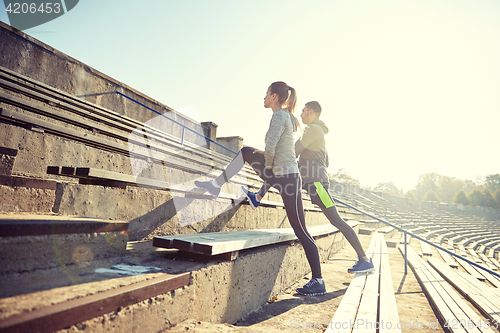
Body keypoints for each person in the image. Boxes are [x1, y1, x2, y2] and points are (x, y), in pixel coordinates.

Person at [195, 81, 326, 296]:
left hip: (288, 178)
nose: (263, 98)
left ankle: (318, 280)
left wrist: (266, 169)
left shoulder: (279, 116)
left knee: (300, 229)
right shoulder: (286, 116)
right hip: (284, 175)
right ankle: (216, 185)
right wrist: (267, 171)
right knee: (246, 151)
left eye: (266, 94)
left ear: (274, 96)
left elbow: (271, 148)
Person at [295, 101, 374, 274]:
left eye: (302, 111)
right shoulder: (319, 132)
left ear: (310, 112)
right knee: (335, 219)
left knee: (336, 220)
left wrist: (301, 160)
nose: (300, 115)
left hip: (316, 183)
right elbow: (326, 161)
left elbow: (295, 149)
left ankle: (364, 259)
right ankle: (364, 259)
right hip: (315, 181)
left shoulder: (311, 130)